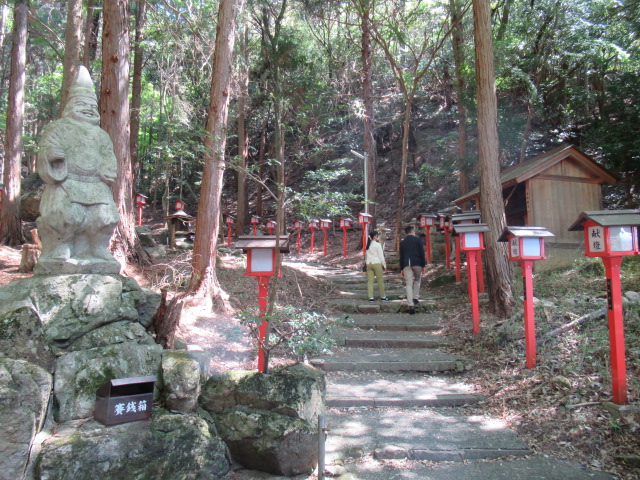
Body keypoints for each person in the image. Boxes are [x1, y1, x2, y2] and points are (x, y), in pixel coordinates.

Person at [35, 66, 120, 274]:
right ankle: (60, 248)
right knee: (69, 215)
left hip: (95, 185)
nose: (88, 109)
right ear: (70, 106)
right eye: (82, 104)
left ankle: (98, 248)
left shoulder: (101, 135)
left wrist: (108, 169)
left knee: (104, 217)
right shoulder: (58, 128)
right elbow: (46, 150)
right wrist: (52, 155)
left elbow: (108, 155)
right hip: (68, 182)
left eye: (92, 106)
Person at [399, 225, 426, 314]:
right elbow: (422, 253)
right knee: (417, 280)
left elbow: (401, 256)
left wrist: (401, 268)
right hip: (417, 262)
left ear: (406, 233)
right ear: (412, 231)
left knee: (408, 284)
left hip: (406, 263)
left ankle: (410, 304)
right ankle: (415, 298)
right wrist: (423, 265)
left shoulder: (403, 242)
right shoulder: (417, 240)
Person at [365, 231, 389, 302]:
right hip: (376, 263)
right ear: (375, 236)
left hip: (369, 263)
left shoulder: (368, 245)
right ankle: (383, 296)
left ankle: (371, 297)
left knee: (370, 281)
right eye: (377, 235)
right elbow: (381, 256)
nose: (377, 236)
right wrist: (384, 265)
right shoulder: (377, 245)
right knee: (380, 280)